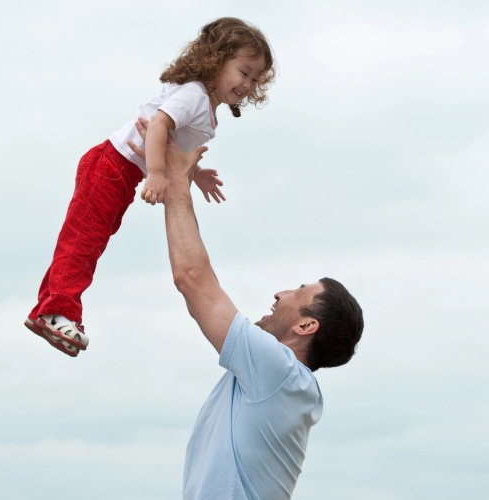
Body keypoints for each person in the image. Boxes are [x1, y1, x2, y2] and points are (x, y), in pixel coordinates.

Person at [129, 119, 365, 499]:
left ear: (306, 326)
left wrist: (173, 182)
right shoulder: (282, 383)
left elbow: (192, 278)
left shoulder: (279, 372)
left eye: (298, 291)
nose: (280, 293)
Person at [24, 17, 276, 357]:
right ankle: (59, 311)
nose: (247, 84)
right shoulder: (194, 96)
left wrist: (196, 173)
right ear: (217, 61)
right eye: (244, 72)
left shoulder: (204, 104)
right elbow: (158, 125)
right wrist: (156, 174)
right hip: (113, 165)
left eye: (255, 79)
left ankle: (47, 310)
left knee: (90, 240)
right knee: (84, 240)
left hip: (120, 172)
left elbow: (173, 141)